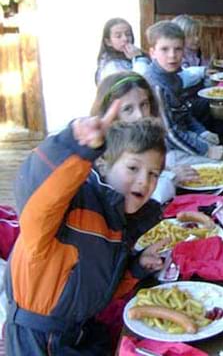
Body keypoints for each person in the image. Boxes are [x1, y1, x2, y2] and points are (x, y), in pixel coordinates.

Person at [4, 106, 169, 354]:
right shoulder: (72, 204)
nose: (144, 181)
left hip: (79, 332)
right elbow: (38, 191)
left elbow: (101, 289)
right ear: (104, 164)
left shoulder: (120, 221)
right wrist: (74, 145)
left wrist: (137, 267)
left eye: (153, 174)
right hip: (38, 338)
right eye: (133, 168)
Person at [91, 71, 204, 203]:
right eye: (128, 109)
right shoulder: (105, 150)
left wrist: (167, 172)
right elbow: (136, 198)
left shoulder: (148, 138)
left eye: (144, 104)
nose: (140, 115)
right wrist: (171, 178)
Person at [142, 21, 223, 163]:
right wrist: (206, 150)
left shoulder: (174, 77)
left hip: (183, 137)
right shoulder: (157, 86)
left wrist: (202, 132)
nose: (172, 55)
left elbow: (184, 113)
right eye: (164, 49)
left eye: (177, 49)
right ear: (152, 52)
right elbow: (169, 134)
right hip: (165, 151)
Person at [94, 18, 150, 84]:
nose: (125, 39)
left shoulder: (134, 55)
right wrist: (139, 59)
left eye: (128, 34)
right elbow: (138, 83)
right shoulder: (111, 67)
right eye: (118, 36)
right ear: (108, 42)